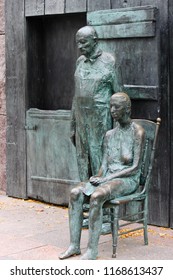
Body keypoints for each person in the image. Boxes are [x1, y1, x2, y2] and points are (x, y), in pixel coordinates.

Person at [59, 92, 145, 260]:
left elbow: (135, 167)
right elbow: (104, 165)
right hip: (109, 178)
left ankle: (92, 250)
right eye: (111, 106)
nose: (112, 110)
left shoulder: (138, 132)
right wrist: (98, 177)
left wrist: (105, 180)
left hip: (128, 179)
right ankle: (74, 246)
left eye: (116, 107)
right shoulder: (109, 135)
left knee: (97, 195)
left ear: (127, 109)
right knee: (75, 193)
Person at [71, 26, 122, 181]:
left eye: (83, 42)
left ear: (95, 41)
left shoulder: (109, 62)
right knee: (82, 156)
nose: (80, 47)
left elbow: (119, 95)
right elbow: (76, 94)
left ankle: (101, 199)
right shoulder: (80, 61)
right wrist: (72, 123)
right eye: (78, 43)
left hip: (101, 119)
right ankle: (84, 197)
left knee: (99, 156)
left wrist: (118, 128)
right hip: (81, 119)